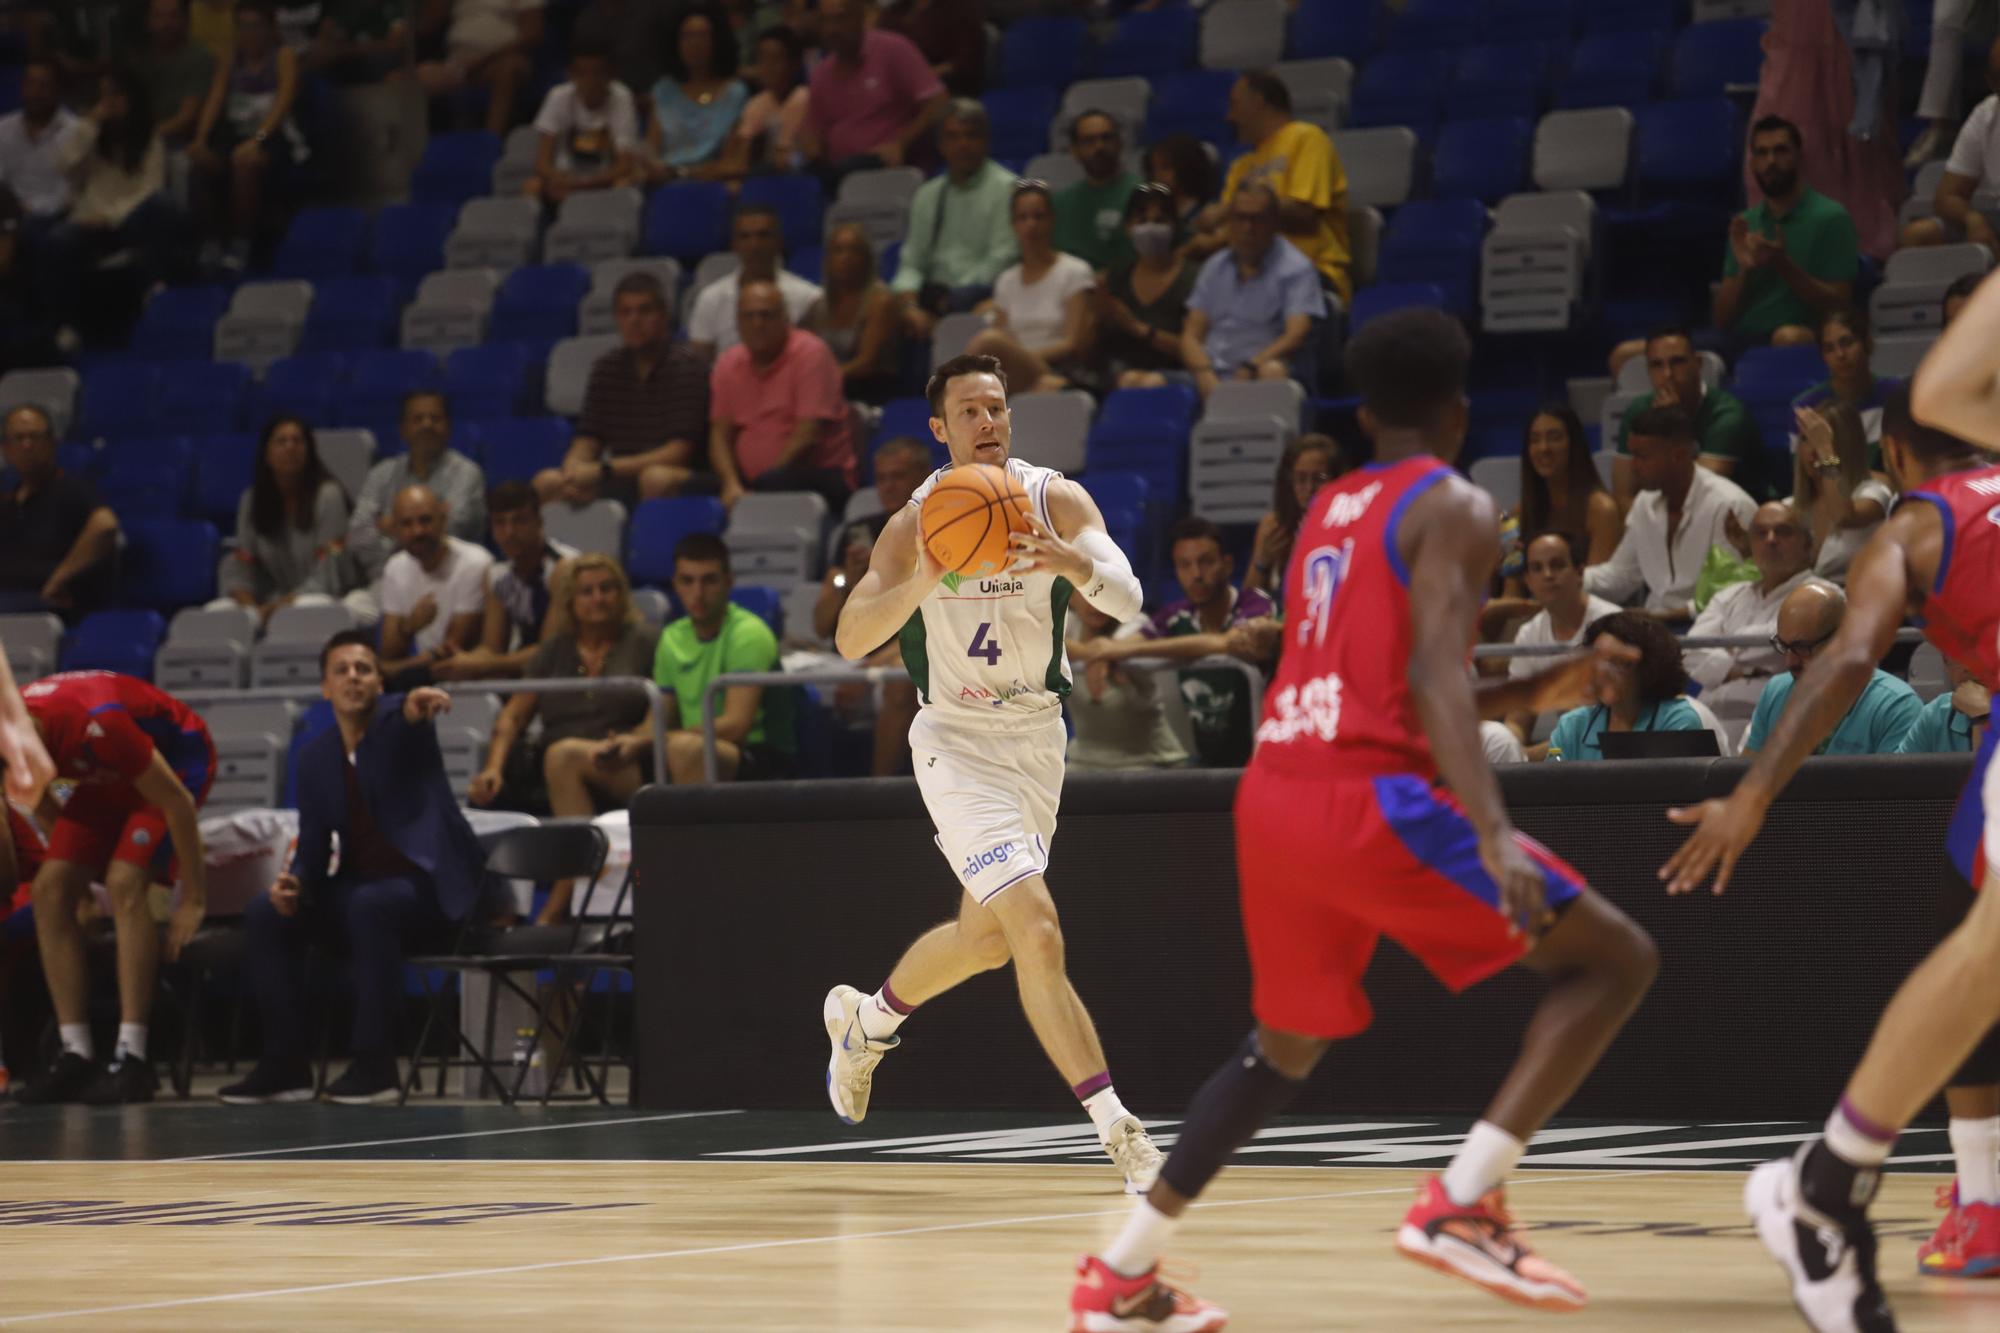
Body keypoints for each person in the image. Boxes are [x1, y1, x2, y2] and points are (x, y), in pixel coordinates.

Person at [1070, 309, 1657, 1326]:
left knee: (1281, 1047)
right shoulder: (1457, 504)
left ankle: (1119, 1270)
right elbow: (1428, 674)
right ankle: (1460, 1203)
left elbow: (1374, 688)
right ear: (1459, 407)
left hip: (1276, 793)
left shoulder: (1326, 513)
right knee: (1613, 960)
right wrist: (1484, 826)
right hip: (1364, 801)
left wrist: (1522, 697)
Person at [1657, 320, 2000, 1324]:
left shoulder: (1916, 529)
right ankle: (1901, 1183)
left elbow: (1848, 661)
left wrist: (1754, 791)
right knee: (1973, 956)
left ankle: (1881, 1179)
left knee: (1971, 956)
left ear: (1894, 458)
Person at [825, 352, 1167, 1192]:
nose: (987, 421)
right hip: (956, 740)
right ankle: (1118, 1127)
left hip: (1037, 739)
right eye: (969, 411)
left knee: (985, 940)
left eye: (997, 407)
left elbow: (1128, 599)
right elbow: (849, 635)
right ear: (938, 428)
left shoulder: (1054, 498)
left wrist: (1071, 563)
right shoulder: (914, 525)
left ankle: (865, 1023)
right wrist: (927, 578)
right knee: (1038, 929)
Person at [218, 631, 489, 1105]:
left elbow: (405, 721)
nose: (353, 677)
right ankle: (285, 1066)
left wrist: (414, 702)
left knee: (368, 904)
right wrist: (296, 882)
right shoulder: (316, 757)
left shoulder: (398, 728)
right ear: (325, 688)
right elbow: (316, 846)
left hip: (427, 887)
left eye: (364, 669)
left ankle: (376, 1066)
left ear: (380, 685)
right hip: (364, 890)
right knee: (266, 913)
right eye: (341, 670)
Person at [11, 672, 213, 1105]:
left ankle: (133, 1055)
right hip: (104, 776)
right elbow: (44, 805)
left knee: (124, 881)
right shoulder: (12, 741)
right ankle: (76, 1051)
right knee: (49, 890)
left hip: (173, 763)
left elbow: (175, 802)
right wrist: (78, 890)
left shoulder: (99, 721)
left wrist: (193, 898)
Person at [542, 534, 791, 813]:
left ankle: (688, 854)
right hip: (679, 753)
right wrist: (626, 743)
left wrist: (647, 741)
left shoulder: (749, 634)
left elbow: (736, 724)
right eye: (687, 581)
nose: (697, 593)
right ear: (675, 585)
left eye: (709, 581)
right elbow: (660, 717)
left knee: (687, 748)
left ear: (728, 582)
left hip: (753, 759)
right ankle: (591, 853)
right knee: (563, 756)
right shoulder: (673, 637)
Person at [470, 554, 652, 867]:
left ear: (621, 594)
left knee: (562, 756)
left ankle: (572, 885)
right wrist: (493, 768)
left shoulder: (647, 641)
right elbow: (514, 716)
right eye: (587, 591)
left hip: (624, 759)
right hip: (557, 761)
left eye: (606, 588)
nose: (598, 598)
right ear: (570, 601)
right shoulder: (552, 651)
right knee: (531, 770)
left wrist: (633, 741)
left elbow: (665, 708)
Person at [1075, 516, 1275, 768]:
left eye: (1206, 562)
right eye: (1185, 565)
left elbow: (1230, 642)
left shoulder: (1254, 603)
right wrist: (1105, 654)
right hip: (1207, 762)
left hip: (1262, 758)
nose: (1196, 574)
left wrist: (1119, 650)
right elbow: (1127, 642)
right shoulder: (1175, 616)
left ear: (1227, 564)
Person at [541, 272, 708, 507]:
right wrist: (573, 469)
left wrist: (603, 469)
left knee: (655, 478)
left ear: (664, 315)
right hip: (620, 476)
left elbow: (677, 454)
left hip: (681, 476)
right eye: (625, 312)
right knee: (547, 482)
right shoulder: (606, 368)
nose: (634, 320)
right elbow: (588, 439)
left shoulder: (687, 366)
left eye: (644, 311)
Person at [814, 436, 928, 776]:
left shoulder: (934, 530)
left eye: (898, 476)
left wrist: (870, 667)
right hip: (852, 652)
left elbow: (925, 616)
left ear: (924, 476)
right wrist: (848, 580)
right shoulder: (859, 531)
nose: (888, 486)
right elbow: (821, 624)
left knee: (897, 683)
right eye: (881, 478)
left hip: (908, 653)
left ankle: (879, 793)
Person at [1188, 69, 1350, 305]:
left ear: (1259, 102)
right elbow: (1229, 231)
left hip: (1308, 271)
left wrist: (1227, 210)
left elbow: (1304, 215)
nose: (1229, 117)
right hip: (1250, 276)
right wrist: (1198, 244)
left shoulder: (1306, 138)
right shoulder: (1241, 166)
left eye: (1235, 104)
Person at [1148, 182, 1323, 399]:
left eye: (1257, 219)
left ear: (1275, 222)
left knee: (1272, 373)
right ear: (1229, 222)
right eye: (1240, 218)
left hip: (1262, 370)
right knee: (1141, 383)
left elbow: (1296, 335)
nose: (1248, 228)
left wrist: (1252, 366)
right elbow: (1191, 336)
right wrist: (1204, 375)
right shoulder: (1214, 266)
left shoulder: (1296, 268)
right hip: (1211, 375)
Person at [1584, 405, 1758, 622]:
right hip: (1656, 628)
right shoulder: (1643, 504)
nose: (1633, 466)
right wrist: (1564, 580)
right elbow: (1621, 576)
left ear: (1678, 455)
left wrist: (1668, 617)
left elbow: (1736, 593)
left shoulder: (1729, 505)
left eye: (1642, 456)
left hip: (1713, 629)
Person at [1714, 114, 1860, 358]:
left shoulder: (1831, 217)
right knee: (1632, 352)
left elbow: (1840, 307)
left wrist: (1782, 264)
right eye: (1762, 153)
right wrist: (1744, 270)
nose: (1771, 161)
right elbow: (1721, 320)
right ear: (1752, 164)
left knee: (1787, 337)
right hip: (1745, 338)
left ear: (1799, 157)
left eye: (1780, 151)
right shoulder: (1745, 224)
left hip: (1807, 336)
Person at [706, 280, 857, 512]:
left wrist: (757, 490)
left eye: (766, 315)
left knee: (772, 483)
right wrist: (731, 483)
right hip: (749, 481)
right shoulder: (729, 362)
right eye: (749, 316)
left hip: (818, 475)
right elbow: (720, 433)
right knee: (672, 486)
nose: (758, 324)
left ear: (785, 319)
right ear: (737, 322)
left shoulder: (811, 353)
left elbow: (807, 434)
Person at [1681, 500, 1828, 724]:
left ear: (1807, 544)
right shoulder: (1729, 595)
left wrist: (1725, 647)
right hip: (1709, 716)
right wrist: (1744, 669)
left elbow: (1784, 640)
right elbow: (1691, 653)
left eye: (1783, 532)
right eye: (1760, 533)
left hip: (1777, 721)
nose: (1770, 539)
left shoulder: (1823, 594)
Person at [187, 0, 307, 274]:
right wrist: (201, 139)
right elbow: (215, 98)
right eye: (242, 27)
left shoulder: (283, 56)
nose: (248, 34)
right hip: (234, 134)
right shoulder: (230, 56)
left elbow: (283, 103)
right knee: (200, 163)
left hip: (274, 137)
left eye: (255, 26)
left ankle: (242, 242)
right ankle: (212, 242)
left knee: (245, 163)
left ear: (270, 28)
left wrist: (259, 139)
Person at [1739, 581, 1920, 756]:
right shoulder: (1776, 693)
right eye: (1783, 646)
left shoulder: (1894, 707)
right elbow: (1744, 778)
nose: (1789, 661)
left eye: (1802, 647)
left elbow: (1894, 787)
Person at [886, 98, 1016, 336]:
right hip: (934, 300)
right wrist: (910, 304)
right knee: (889, 310)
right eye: (952, 137)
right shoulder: (928, 194)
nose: (962, 144)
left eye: (970, 136)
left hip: (983, 297)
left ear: (985, 141)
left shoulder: (1007, 189)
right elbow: (913, 262)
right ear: (941, 145)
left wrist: (950, 301)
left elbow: (1001, 260)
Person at [347, 390, 489, 599]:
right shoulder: (382, 473)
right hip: (389, 578)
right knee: (353, 607)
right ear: (403, 429)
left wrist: (389, 527)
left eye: (435, 418)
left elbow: (454, 528)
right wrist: (396, 561)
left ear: (448, 428)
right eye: (418, 419)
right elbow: (357, 534)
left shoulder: (467, 473)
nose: (427, 425)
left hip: (450, 579)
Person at [216, 414, 355, 626]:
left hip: (323, 597)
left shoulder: (329, 496)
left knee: (306, 606)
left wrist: (281, 605)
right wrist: (249, 607)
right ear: (267, 454)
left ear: (309, 451)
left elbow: (330, 571)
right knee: (218, 611)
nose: (290, 447)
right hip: (268, 600)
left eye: (298, 441)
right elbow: (241, 565)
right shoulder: (251, 499)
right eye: (281, 441)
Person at [1541, 611, 1732, 762]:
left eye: (1619, 663)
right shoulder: (1570, 726)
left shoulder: (1678, 721)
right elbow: (1554, 779)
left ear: (1648, 667)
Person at [1609, 327, 1762, 511]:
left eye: (1677, 362)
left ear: (1698, 364)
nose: (1668, 374)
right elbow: (1623, 495)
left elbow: (1698, 492)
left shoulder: (1727, 414)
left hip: (1730, 520)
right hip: (1662, 523)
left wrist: (1671, 424)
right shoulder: (1637, 411)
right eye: (1657, 365)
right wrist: (1647, 530)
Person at [965, 181, 1097, 395]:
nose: (1031, 225)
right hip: (1014, 371)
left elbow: (1073, 343)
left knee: (987, 342)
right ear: (1013, 225)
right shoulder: (1006, 281)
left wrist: (1021, 356)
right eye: (1023, 218)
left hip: (1059, 369)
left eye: (1039, 216)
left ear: (1052, 220)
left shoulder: (1075, 271)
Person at [1500, 531, 1622, 750]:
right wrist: (1508, 748)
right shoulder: (1528, 634)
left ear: (1579, 572)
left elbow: (1601, 727)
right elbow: (1518, 718)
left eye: (1557, 565)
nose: (1547, 575)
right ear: (1528, 580)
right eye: (1537, 568)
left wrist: (1526, 757)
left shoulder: (1613, 624)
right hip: (1560, 748)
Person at [449, 480, 577, 681]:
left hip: (570, 671)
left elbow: (550, 653)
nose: (509, 532)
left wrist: (486, 665)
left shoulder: (565, 567)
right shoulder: (496, 576)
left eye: (520, 521)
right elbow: (492, 648)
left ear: (539, 522)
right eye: (500, 523)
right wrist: (460, 661)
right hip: (530, 674)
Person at [802, 0, 945, 179]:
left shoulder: (893, 49)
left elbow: (939, 102)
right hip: (840, 177)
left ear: (860, 18)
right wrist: (810, 149)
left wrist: (901, 143)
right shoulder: (822, 72)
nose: (833, 29)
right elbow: (813, 130)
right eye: (826, 21)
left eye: (841, 18)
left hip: (892, 170)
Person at [0, 404, 119, 616]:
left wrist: (59, 579)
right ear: (6, 449)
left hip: (50, 604)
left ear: (52, 443)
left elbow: (105, 526)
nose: (27, 445)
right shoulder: (8, 501)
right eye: (18, 438)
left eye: (34, 437)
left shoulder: (71, 489)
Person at [376, 484, 494, 682]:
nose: (417, 531)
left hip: (473, 683)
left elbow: (450, 652)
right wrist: (409, 627)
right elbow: (388, 655)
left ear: (444, 518)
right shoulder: (395, 568)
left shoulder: (475, 562)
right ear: (395, 529)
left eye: (425, 520)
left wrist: (394, 669)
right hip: (427, 681)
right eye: (407, 524)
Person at [1065, 597, 1190, 773]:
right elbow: (1039, 637)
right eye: (1087, 591)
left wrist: (1101, 653)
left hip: (1148, 762)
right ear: (1070, 595)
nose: (1096, 601)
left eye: (1104, 588)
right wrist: (1091, 655)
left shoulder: (1136, 624)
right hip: (1083, 760)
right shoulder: (1068, 623)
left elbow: (1112, 648)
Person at [685, 203, 822, 360]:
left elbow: (813, 358)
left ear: (779, 241)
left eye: (763, 235)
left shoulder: (809, 297)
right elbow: (700, 363)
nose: (754, 245)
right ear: (734, 244)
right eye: (745, 236)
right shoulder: (710, 299)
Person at [1902, 37, 2000, 256]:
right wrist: (1972, 219)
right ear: (1992, 83)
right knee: (1919, 235)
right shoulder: (1986, 115)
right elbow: (1947, 196)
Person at [1097, 182, 1199, 390]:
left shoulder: (1195, 278)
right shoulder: (1116, 278)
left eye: (1159, 221)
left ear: (1175, 225)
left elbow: (1195, 349)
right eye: (1142, 221)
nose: (1150, 228)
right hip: (1120, 373)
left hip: (1179, 375)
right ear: (1128, 228)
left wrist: (1137, 327)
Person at [1509, 403, 1621, 586]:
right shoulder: (1520, 513)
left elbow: (1595, 592)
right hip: (1532, 611)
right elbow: (1511, 592)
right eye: (1535, 440)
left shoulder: (1601, 510)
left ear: (1574, 444)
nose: (1543, 448)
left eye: (1554, 438)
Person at [524, 35, 640, 203]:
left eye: (598, 73)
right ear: (571, 74)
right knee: (532, 185)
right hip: (565, 178)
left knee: (624, 183)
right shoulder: (558, 96)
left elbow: (624, 165)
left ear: (611, 74)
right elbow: (542, 162)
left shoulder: (622, 97)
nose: (590, 81)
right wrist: (558, 177)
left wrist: (583, 183)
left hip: (603, 178)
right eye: (582, 73)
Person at [644, 3, 746, 183]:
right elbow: (652, 152)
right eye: (687, 36)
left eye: (702, 36)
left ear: (716, 40)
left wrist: (689, 173)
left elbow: (731, 161)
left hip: (713, 185)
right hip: (666, 184)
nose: (695, 43)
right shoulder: (663, 91)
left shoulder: (735, 92)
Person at [1792, 401, 1892, 583]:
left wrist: (1826, 451)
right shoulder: (1792, 507)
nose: (1813, 451)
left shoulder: (1874, 493)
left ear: (1849, 445)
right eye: (1806, 440)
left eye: (1822, 441)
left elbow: (1842, 516)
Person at [803, 221, 901, 403]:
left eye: (853, 251)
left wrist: (821, 380)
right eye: (838, 250)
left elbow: (867, 362)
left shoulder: (880, 301)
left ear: (866, 258)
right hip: (825, 391)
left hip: (869, 395)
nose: (845, 257)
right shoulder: (818, 305)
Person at [414, 0, 543, 138]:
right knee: (411, 79)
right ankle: (411, 150)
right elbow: (429, 23)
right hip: (457, 64)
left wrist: (481, 61)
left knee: (508, 69)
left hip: (501, 60)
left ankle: (490, 143)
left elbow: (532, 34)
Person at [1792, 307, 1899, 459]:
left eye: (1847, 343)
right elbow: (1804, 476)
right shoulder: (1806, 409)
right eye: (1829, 348)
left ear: (1868, 344)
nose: (1840, 355)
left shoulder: (1896, 396)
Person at [1245, 432, 1341, 600]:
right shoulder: (1273, 525)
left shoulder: (1348, 524)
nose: (1309, 488)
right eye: (1301, 479)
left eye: (1319, 479)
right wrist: (1263, 562)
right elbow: (1249, 603)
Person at [1051, 109, 1138, 272]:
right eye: (1089, 141)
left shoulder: (1142, 194)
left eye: (1106, 138)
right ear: (1074, 151)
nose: (1099, 146)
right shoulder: (1060, 203)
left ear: (1120, 144)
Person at [721, 23, 808, 176]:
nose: (768, 66)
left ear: (794, 63)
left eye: (775, 58)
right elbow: (741, 157)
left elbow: (807, 154)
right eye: (763, 58)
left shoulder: (807, 99)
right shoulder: (755, 104)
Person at [137, 0, 217, 148]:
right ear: (148, 20)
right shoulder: (138, 57)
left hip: (180, 142)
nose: (165, 23)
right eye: (159, 16)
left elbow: (187, 118)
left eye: (173, 16)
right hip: (141, 137)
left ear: (186, 19)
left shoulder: (199, 57)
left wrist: (146, 136)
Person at [877, 0, 984, 98]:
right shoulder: (896, 7)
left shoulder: (961, 7)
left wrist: (918, 77)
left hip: (943, 86)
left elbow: (963, 63)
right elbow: (878, 45)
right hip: (893, 83)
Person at [1898, 655, 1989, 756]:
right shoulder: (1936, 714)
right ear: (1947, 669)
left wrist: (1983, 716)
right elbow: (1897, 771)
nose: (1967, 668)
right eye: (1958, 659)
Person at [1147, 132, 1216, 249]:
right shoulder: (1153, 211)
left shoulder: (1207, 212)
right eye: (1155, 168)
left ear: (1186, 168)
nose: (1157, 175)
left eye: (1165, 167)